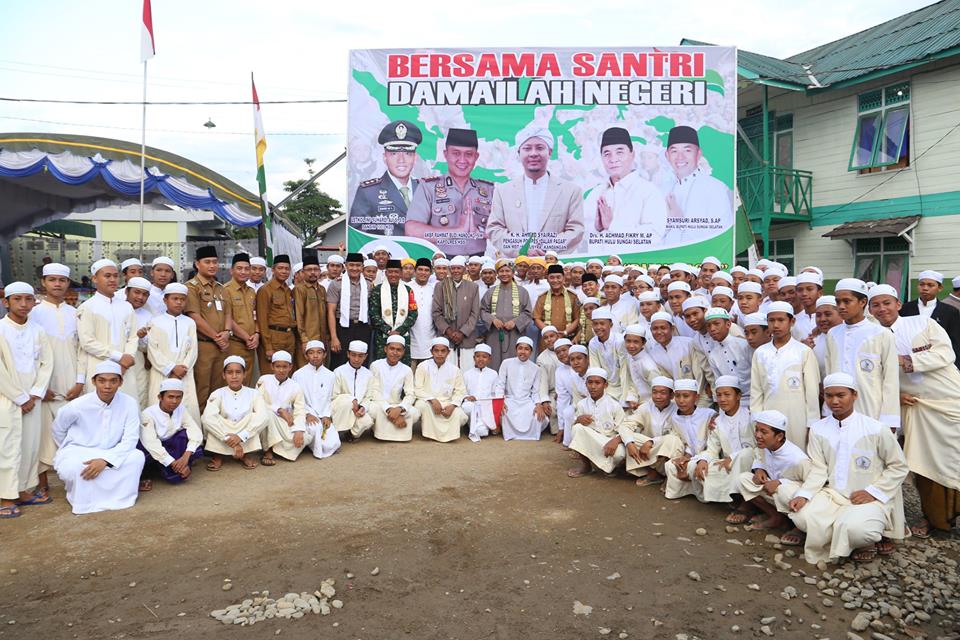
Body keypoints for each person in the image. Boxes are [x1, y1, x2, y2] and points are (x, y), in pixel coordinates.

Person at [788, 373, 909, 564]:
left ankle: (861, 540)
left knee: (858, 530)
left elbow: (899, 466)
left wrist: (873, 492)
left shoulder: (876, 429)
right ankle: (842, 534)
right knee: (801, 517)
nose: (834, 401)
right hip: (833, 496)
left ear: (854, 395)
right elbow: (819, 469)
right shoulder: (819, 429)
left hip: (867, 500)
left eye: (841, 395)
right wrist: (804, 494)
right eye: (829, 396)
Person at [868, 285, 960, 536]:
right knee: (925, 463)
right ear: (870, 310)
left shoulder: (923, 323)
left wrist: (906, 360)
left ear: (898, 304)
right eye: (875, 304)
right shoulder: (871, 336)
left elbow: (946, 353)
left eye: (887, 302)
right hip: (914, 407)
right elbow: (872, 377)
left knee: (955, 457)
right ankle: (937, 519)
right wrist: (895, 396)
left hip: (949, 400)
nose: (882, 308)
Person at [52, 362, 145, 515]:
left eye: (113, 381)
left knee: (136, 457)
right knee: (74, 466)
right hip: (80, 450)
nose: (107, 386)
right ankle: (83, 503)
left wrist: (105, 460)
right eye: (102, 380)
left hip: (112, 451)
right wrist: (68, 450)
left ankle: (120, 500)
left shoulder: (129, 403)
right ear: (94, 381)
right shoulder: (77, 405)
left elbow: (130, 439)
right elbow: (58, 428)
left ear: (120, 382)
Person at [486, 127, 585, 257]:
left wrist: (545, 250)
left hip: (554, 269)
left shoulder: (571, 191)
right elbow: (495, 230)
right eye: (527, 148)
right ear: (519, 152)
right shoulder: (503, 191)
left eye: (539, 148)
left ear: (549, 152)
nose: (533, 153)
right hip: (515, 268)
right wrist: (523, 249)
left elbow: (576, 230)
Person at [30, 264, 84, 500]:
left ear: (68, 284)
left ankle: (79, 481)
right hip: (45, 385)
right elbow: (30, 354)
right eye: (52, 280)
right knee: (41, 435)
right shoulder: (33, 312)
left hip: (72, 383)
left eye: (62, 280)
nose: (57, 284)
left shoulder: (76, 313)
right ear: (43, 282)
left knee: (77, 432)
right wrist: (40, 388)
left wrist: (80, 382)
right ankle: (41, 483)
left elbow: (81, 350)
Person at [0, 282, 53, 518]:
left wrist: (35, 393)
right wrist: (20, 397)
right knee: (7, 447)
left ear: (34, 302)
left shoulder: (37, 330)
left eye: (28, 299)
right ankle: (5, 497)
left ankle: (22, 490)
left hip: (33, 399)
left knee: (30, 446)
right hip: (7, 399)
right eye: (17, 299)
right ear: (6, 302)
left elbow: (46, 363)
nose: (23, 304)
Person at [825, 278, 900, 431]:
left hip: (871, 408)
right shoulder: (833, 334)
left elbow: (891, 379)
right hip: (837, 412)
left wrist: (889, 419)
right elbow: (829, 374)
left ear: (862, 302)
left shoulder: (881, 333)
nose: (841, 307)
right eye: (838, 302)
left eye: (847, 301)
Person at [405, 128, 492, 256]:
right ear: (446, 155)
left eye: (468, 154)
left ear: (476, 157)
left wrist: (488, 232)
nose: (462, 160)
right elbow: (411, 230)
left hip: (480, 264)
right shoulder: (429, 187)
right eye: (456, 153)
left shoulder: (488, 189)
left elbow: (502, 228)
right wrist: (457, 232)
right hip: (442, 264)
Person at [583, 127, 667, 252]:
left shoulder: (648, 191)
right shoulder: (595, 194)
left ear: (632, 155)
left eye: (619, 152)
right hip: (598, 268)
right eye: (607, 154)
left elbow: (653, 236)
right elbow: (584, 234)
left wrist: (612, 226)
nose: (613, 159)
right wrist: (597, 227)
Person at [749, 301, 820, 448]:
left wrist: (811, 423)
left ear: (792, 321)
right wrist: (756, 418)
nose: (776, 325)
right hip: (767, 418)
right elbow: (756, 391)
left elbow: (812, 392)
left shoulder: (803, 352)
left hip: (797, 418)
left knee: (797, 456)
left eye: (781, 320)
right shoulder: (761, 353)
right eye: (771, 320)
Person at [77, 259, 140, 403]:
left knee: (127, 408)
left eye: (115, 276)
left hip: (125, 370)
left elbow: (133, 337)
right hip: (99, 368)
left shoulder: (126, 307)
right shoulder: (87, 307)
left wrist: (127, 359)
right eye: (107, 276)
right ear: (94, 279)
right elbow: (87, 342)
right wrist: (119, 357)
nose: (112, 280)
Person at [736, 410, 810, 532]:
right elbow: (759, 455)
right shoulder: (765, 445)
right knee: (743, 479)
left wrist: (780, 482)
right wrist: (759, 469)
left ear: (779, 436)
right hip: (772, 492)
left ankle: (798, 528)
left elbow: (811, 486)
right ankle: (776, 517)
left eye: (764, 432)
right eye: (757, 430)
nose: (758, 435)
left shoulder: (798, 459)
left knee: (783, 491)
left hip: (791, 497)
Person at [350, 120, 422, 237]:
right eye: (394, 154)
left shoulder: (426, 190)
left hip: (422, 255)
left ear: (415, 158)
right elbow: (358, 236)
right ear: (385, 158)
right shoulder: (368, 192)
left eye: (407, 154)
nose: (401, 160)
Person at [690, 376, 754, 505]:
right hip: (727, 465)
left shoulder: (751, 416)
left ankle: (744, 504)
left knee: (745, 455)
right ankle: (730, 496)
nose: (722, 399)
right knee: (694, 466)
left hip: (752, 466)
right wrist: (703, 460)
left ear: (738, 396)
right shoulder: (717, 422)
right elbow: (712, 449)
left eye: (727, 394)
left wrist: (733, 457)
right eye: (719, 395)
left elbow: (758, 449)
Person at [146, 283, 200, 425]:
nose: (179, 302)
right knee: (158, 406)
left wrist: (182, 368)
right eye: (174, 299)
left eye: (182, 299)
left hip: (184, 372)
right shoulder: (155, 322)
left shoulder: (190, 323)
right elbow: (153, 351)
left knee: (187, 406)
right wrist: (170, 368)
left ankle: (188, 440)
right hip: (161, 372)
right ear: (165, 300)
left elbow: (193, 350)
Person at [202, 356, 268, 471]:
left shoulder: (254, 394)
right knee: (208, 417)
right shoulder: (217, 393)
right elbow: (208, 418)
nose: (234, 376)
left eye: (238, 372)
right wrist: (227, 438)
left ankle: (244, 453)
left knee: (255, 417)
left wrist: (241, 436)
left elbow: (263, 417)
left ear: (244, 374)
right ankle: (219, 454)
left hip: (244, 432)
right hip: (223, 432)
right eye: (229, 372)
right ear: (224, 375)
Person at [185, 246, 230, 412]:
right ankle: (200, 428)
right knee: (202, 387)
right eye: (207, 262)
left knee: (219, 388)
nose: (212, 265)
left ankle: (214, 423)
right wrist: (216, 337)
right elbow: (194, 317)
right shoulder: (191, 287)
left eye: (215, 262)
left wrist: (226, 333)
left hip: (223, 346)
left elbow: (228, 314)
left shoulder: (221, 288)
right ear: (197, 264)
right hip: (203, 345)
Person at [618, 376, 684, 487]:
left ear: (671, 395)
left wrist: (652, 442)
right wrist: (629, 443)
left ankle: (665, 476)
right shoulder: (646, 407)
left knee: (673, 440)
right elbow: (626, 425)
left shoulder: (678, 409)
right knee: (629, 437)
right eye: (655, 392)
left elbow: (677, 435)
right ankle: (655, 473)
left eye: (663, 393)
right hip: (649, 451)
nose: (658, 396)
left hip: (668, 451)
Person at [138, 379, 203, 490]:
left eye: (178, 397)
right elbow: (151, 444)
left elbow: (195, 430)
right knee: (142, 450)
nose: (174, 401)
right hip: (153, 449)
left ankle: (174, 466)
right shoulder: (148, 414)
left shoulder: (181, 409)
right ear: (160, 397)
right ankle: (145, 474)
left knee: (184, 435)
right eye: (171, 397)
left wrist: (185, 457)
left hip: (169, 446)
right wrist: (173, 463)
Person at [567, 367, 627, 477]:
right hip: (591, 442)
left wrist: (615, 441)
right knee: (577, 428)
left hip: (610, 442)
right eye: (590, 382)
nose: (593, 386)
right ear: (586, 384)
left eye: (597, 383)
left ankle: (611, 467)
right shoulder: (582, 404)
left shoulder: (615, 405)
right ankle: (587, 466)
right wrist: (578, 420)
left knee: (620, 454)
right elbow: (575, 431)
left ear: (605, 385)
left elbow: (625, 429)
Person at [663, 379, 717, 500]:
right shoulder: (675, 419)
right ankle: (687, 490)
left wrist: (696, 459)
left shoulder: (709, 414)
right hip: (692, 456)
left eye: (686, 396)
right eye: (677, 396)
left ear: (696, 397)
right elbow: (686, 443)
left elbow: (713, 445)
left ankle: (703, 493)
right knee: (671, 465)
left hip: (709, 457)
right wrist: (685, 457)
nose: (681, 400)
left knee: (693, 467)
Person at [899, 270, 960, 367]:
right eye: (922, 284)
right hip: (910, 360)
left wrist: (955, 366)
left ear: (940, 288)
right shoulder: (905, 309)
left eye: (930, 285)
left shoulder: (950, 311)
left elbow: (955, 342)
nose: (925, 288)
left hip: (939, 362)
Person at [258, 351, 310, 464]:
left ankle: (278, 448)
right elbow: (258, 403)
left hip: (286, 422)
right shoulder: (264, 380)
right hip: (267, 419)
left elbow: (300, 410)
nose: (281, 370)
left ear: (290, 367)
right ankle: (268, 450)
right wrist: (279, 410)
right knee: (267, 414)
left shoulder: (295, 386)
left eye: (284, 367)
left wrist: (299, 430)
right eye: (278, 366)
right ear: (272, 366)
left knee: (305, 436)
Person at [480, 261, 533, 371]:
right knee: (494, 363)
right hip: (494, 334)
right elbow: (482, 311)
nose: (504, 274)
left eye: (507, 271)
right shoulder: (490, 292)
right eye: (501, 271)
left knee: (514, 364)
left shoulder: (522, 292)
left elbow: (527, 313)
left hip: (514, 334)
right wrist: (492, 320)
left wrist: (515, 322)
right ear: (497, 274)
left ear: (513, 273)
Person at [365, 335, 419, 442]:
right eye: (392, 349)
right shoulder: (375, 365)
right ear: (386, 349)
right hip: (379, 404)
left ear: (403, 352)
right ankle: (385, 427)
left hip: (397, 405)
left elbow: (410, 393)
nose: (395, 352)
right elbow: (374, 391)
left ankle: (384, 428)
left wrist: (400, 409)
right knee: (372, 410)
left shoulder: (406, 370)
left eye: (398, 350)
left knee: (415, 413)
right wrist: (388, 409)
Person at [291, 340, 340, 459]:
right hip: (306, 415)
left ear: (324, 354)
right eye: (311, 353)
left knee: (333, 442)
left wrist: (327, 415)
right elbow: (296, 400)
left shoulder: (331, 375)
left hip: (324, 415)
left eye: (319, 352)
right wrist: (307, 414)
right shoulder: (298, 375)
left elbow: (331, 398)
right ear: (306, 355)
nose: (315, 356)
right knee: (315, 428)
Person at [431, 256, 481, 370]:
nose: (456, 271)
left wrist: (462, 332)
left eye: (459, 268)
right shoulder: (440, 286)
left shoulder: (473, 287)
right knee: (446, 371)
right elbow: (436, 312)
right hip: (446, 337)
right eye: (453, 268)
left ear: (464, 270)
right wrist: (449, 332)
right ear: (449, 270)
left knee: (467, 370)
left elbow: (475, 313)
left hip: (467, 338)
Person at [414, 337, 468, 442]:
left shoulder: (454, 370)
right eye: (436, 351)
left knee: (462, 417)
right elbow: (417, 389)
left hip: (447, 403)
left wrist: (453, 405)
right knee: (420, 406)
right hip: (428, 402)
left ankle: (448, 434)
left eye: (443, 351)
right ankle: (429, 434)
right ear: (431, 352)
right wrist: (432, 400)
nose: (440, 354)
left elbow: (460, 391)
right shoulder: (423, 366)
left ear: (448, 352)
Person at [496, 337, 550, 441]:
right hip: (510, 400)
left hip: (526, 401)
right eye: (520, 348)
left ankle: (531, 436)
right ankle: (510, 435)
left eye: (526, 349)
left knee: (537, 416)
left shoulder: (536, 368)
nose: (523, 352)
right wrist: (500, 401)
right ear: (516, 349)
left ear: (531, 351)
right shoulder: (506, 363)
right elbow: (500, 385)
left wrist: (538, 405)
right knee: (505, 413)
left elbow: (535, 391)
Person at [326, 253, 371, 369]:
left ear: (362, 267)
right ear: (345, 266)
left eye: (358, 265)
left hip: (363, 327)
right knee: (340, 361)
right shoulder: (336, 284)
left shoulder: (369, 284)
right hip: (342, 327)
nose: (354, 268)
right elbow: (331, 311)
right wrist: (334, 337)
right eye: (351, 265)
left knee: (361, 361)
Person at [369, 259, 418, 365]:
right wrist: (388, 330)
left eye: (396, 272)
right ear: (386, 272)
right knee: (381, 367)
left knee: (402, 367)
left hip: (403, 335)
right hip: (382, 337)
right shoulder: (377, 290)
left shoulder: (408, 290)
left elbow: (413, 313)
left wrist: (399, 330)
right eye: (390, 272)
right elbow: (373, 314)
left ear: (401, 273)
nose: (393, 275)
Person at [256, 254, 296, 374]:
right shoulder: (265, 290)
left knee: (286, 375)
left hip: (289, 338)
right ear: (273, 270)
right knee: (270, 376)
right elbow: (262, 320)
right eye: (280, 268)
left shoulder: (288, 290)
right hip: (274, 338)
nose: (284, 271)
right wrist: (268, 347)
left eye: (287, 268)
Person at [703, 307, 752, 406]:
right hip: (732, 404)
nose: (712, 329)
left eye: (716, 324)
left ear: (728, 324)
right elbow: (719, 382)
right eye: (708, 326)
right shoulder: (713, 355)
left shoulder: (744, 345)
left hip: (753, 399)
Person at [223, 253, 259, 385]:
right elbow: (227, 318)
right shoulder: (225, 290)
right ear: (231, 270)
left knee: (247, 380)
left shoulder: (251, 292)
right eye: (239, 268)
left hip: (251, 344)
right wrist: (246, 337)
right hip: (235, 343)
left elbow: (256, 316)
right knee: (234, 380)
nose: (243, 272)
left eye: (246, 268)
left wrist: (256, 334)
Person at [329, 340, 374, 440]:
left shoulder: (368, 374)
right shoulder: (338, 371)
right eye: (353, 355)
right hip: (342, 409)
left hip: (357, 410)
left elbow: (368, 396)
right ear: (348, 354)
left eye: (360, 356)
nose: (357, 359)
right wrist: (351, 400)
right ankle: (335, 433)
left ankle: (350, 433)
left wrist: (362, 407)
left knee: (367, 421)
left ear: (365, 357)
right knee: (345, 403)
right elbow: (334, 396)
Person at [293, 255, 329, 368]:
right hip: (307, 339)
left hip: (322, 339)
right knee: (305, 371)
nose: (313, 272)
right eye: (309, 270)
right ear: (303, 272)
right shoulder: (299, 289)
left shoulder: (322, 289)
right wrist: (304, 340)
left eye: (316, 269)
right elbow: (298, 316)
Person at [462, 343, 501, 442]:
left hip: (486, 407)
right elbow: (462, 391)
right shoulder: (467, 374)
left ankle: (479, 424)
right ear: (473, 357)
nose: (481, 359)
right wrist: (467, 397)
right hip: (471, 406)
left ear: (489, 359)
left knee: (481, 432)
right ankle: (473, 423)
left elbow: (496, 393)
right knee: (467, 407)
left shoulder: (493, 374)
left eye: (484, 357)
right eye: (478, 356)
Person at [125, 276, 153, 410]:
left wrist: (141, 338)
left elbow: (150, 344)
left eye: (145, 294)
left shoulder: (148, 316)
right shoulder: (118, 309)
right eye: (137, 292)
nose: (140, 297)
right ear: (126, 292)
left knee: (140, 396)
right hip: (118, 359)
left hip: (140, 362)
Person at [587, 309, 627, 402]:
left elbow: (625, 371)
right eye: (595, 324)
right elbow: (595, 369)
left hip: (622, 386)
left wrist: (625, 396)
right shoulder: (593, 343)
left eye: (602, 323)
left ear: (611, 325)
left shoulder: (619, 341)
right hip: (606, 387)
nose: (598, 327)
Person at [556, 344, 589, 448]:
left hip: (598, 406)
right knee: (568, 412)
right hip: (583, 405)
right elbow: (576, 401)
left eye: (579, 358)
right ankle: (571, 443)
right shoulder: (575, 377)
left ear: (587, 359)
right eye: (572, 360)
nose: (576, 362)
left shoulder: (593, 373)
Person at [620, 324, 660, 409]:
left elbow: (658, 391)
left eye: (635, 342)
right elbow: (633, 382)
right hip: (636, 404)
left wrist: (643, 407)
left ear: (643, 343)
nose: (631, 346)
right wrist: (632, 399)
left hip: (651, 406)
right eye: (628, 341)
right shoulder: (630, 358)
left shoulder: (648, 366)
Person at [408, 258, 437, 368]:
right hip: (411, 339)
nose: (423, 273)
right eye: (420, 269)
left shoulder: (434, 289)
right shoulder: (406, 288)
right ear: (415, 271)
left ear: (431, 272)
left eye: (426, 270)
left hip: (430, 338)